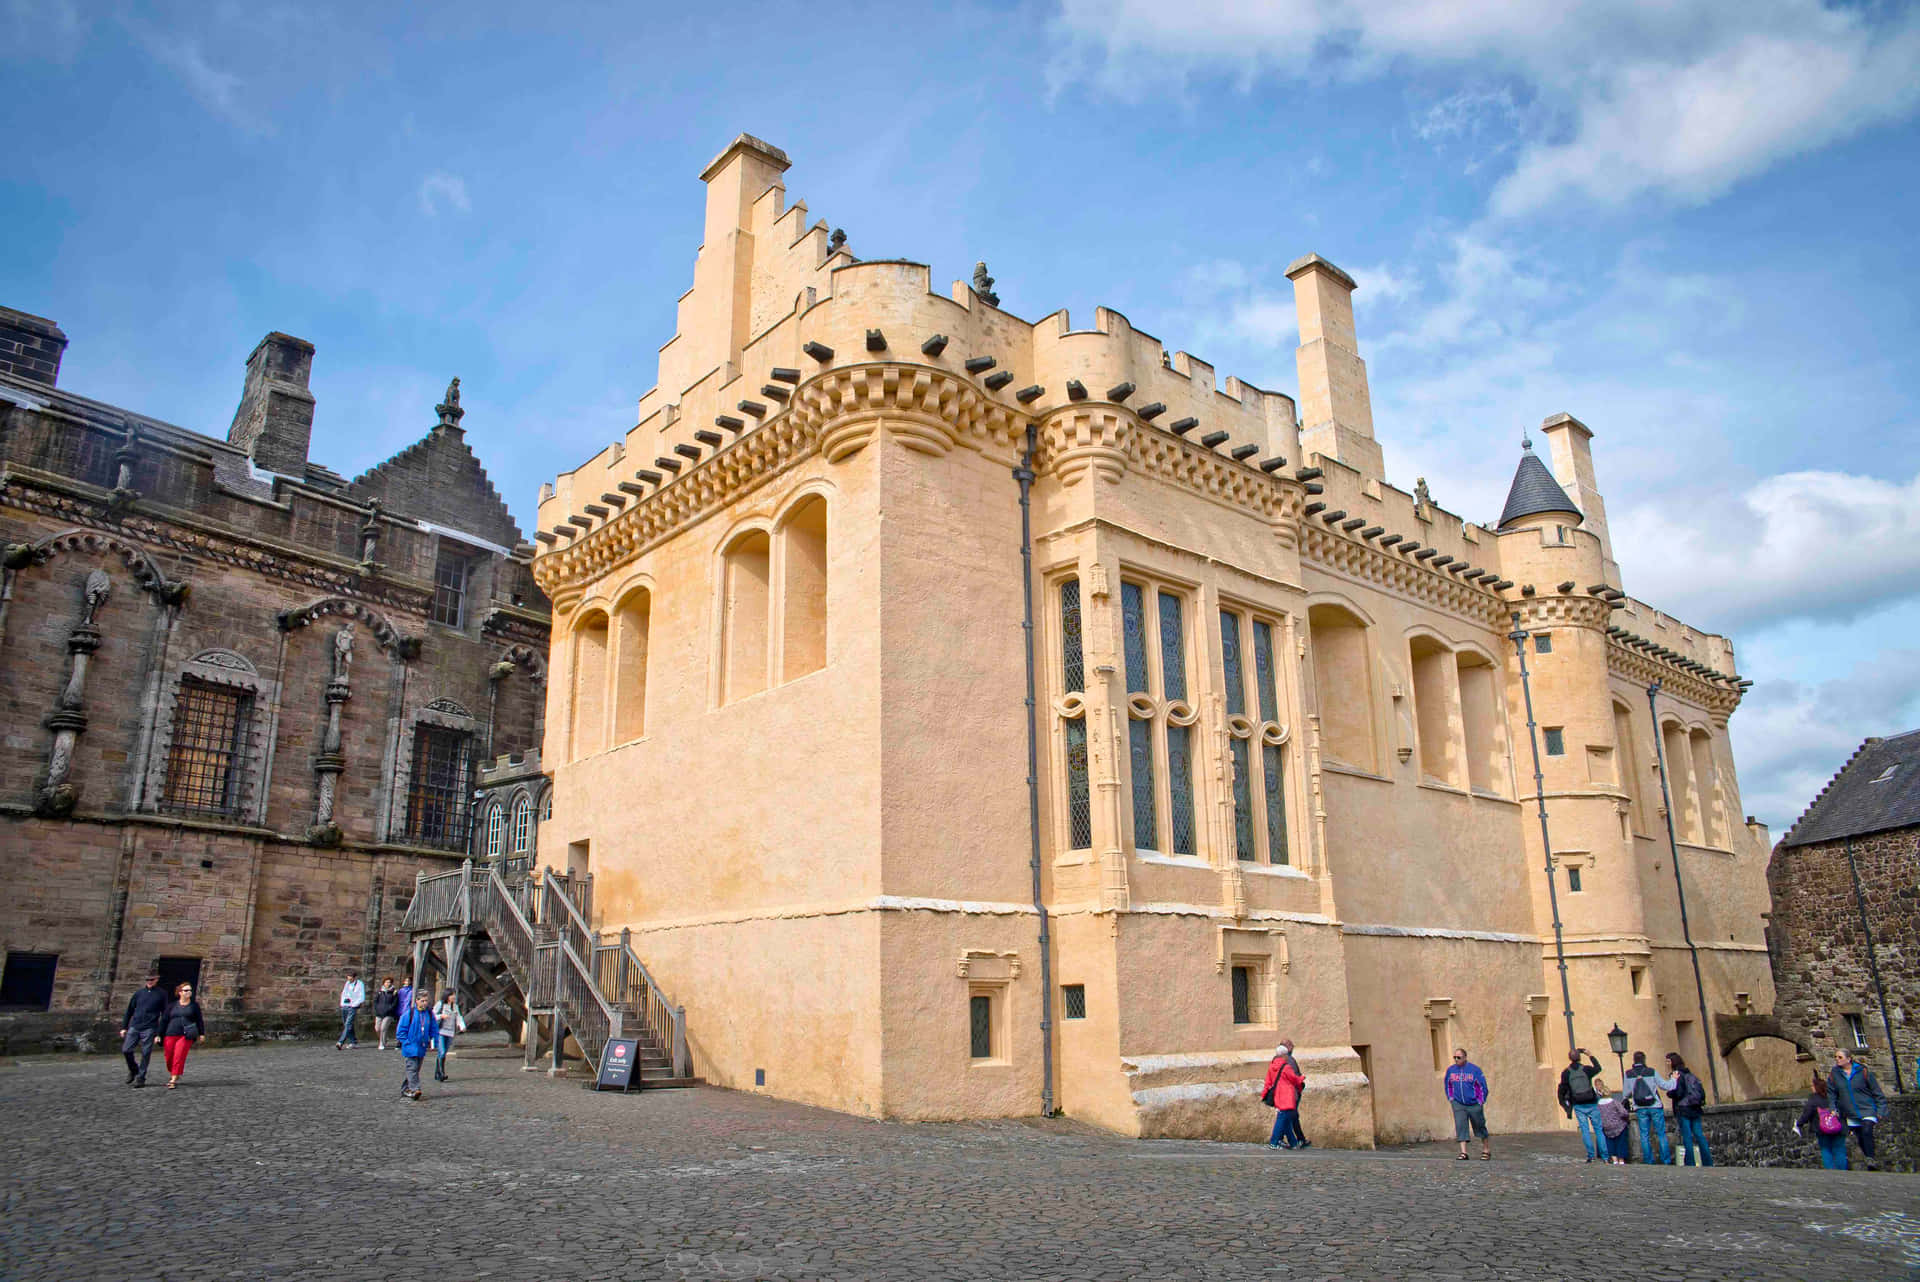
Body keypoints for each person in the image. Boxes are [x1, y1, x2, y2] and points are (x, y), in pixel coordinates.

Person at [1828, 1048, 1887, 1172]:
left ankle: (1871, 1158)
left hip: (1867, 1108)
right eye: (1836, 1057)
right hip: (1850, 1112)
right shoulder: (1834, 1074)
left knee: (1867, 1130)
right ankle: (1869, 1159)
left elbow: (1877, 1092)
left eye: (1840, 1057)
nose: (1837, 1060)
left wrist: (1881, 1110)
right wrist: (1833, 1108)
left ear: (1848, 1059)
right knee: (1860, 1137)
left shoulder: (1863, 1072)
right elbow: (1832, 1094)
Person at [1623, 1051, 1674, 1165]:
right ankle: (1666, 1160)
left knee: (1644, 1135)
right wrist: (1673, 1079)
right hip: (1654, 1106)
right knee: (1661, 1133)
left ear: (1634, 1060)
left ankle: (1648, 1160)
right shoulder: (1651, 1071)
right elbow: (1664, 1086)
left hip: (1640, 1107)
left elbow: (1626, 1094)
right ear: (1644, 1060)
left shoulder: (1628, 1074)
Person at [119, 970, 169, 1087]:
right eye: (147, 980)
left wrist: (159, 1033)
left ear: (156, 979)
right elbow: (129, 1010)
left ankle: (141, 1077)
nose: (149, 982)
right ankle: (134, 1069)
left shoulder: (162, 994)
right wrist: (124, 1027)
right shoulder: (139, 993)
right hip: (135, 1026)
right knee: (126, 1050)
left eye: (151, 980)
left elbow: (164, 1014)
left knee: (146, 1053)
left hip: (150, 1027)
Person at [1557, 1047, 1606, 1162]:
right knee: (1598, 1130)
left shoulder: (1566, 1073)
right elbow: (1598, 1068)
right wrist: (1590, 1055)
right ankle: (1605, 1156)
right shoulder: (1586, 1069)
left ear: (1569, 1058)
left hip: (1578, 1104)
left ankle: (1591, 1156)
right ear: (1579, 1057)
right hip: (1591, 1102)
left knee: (1585, 1130)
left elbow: (1563, 1088)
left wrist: (1566, 1105)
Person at [1793, 1072, 1849, 1170]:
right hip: (1838, 1126)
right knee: (1839, 1149)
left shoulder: (1814, 1099)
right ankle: (1842, 1171)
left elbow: (1807, 1113)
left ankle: (1830, 1171)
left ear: (1816, 1087)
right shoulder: (1834, 1097)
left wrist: (1799, 1124)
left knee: (1826, 1149)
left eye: (1812, 1086)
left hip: (1822, 1129)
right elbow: (1845, 1110)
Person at [1443, 1048, 1492, 1161]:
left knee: (1479, 1125)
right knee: (1460, 1125)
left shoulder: (1474, 1070)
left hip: (1474, 1104)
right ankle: (1463, 1152)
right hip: (1458, 1103)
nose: (1456, 1060)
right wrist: (1451, 1098)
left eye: (1458, 1057)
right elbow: (1448, 1085)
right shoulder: (1451, 1070)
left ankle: (1486, 1149)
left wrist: (1480, 1100)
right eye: (1454, 1057)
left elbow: (1483, 1087)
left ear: (1465, 1057)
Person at [1666, 1053, 1711, 1166]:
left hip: (1683, 1108)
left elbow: (1679, 1092)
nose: (1667, 1064)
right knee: (1699, 1135)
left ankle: (1690, 1161)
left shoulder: (1676, 1074)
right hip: (1695, 1107)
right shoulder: (1689, 1073)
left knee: (1687, 1136)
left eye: (1668, 1061)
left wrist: (1669, 1093)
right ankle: (1708, 1161)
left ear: (1672, 1062)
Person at [158, 981, 206, 1089]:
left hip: (186, 1035)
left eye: (190, 990)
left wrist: (201, 1033)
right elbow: (164, 1020)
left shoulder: (194, 1006)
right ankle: (174, 1072)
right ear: (180, 992)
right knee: (169, 1056)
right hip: (170, 1033)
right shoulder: (172, 1006)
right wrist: (158, 1034)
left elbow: (199, 1020)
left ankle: (173, 1079)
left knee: (179, 1056)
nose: (189, 992)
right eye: (186, 990)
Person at [396, 988, 438, 1101]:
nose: (425, 1003)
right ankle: (415, 1089)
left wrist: (434, 1041)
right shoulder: (408, 1014)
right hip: (410, 1047)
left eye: (426, 1001)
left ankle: (405, 1089)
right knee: (412, 1068)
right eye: (422, 1001)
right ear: (417, 1001)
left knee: (415, 1069)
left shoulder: (429, 1014)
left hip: (421, 1046)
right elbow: (400, 1032)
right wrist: (406, 1042)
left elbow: (434, 1028)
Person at [1262, 1044, 1306, 1149]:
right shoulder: (1286, 1067)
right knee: (1282, 1119)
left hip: (1278, 1095)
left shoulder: (1272, 1066)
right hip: (1287, 1096)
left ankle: (1293, 1143)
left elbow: (1268, 1081)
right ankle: (1274, 1142)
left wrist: (1264, 1093)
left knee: (1285, 1119)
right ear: (1284, 1055)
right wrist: (1302, 1078)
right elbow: (1294, 1079)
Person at [432, 987, 465, 1083]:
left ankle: (437, 1073)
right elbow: (432, 1015)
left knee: (443, 1053)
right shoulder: (440, 1004)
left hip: (450, 1032)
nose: (454, 996)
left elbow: (459, 1017)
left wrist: (461, 1026)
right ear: (447, 995)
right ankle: (442, 1073)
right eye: (452, 995)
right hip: (441, 1031)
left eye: (454, 994)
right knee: (441, 1052)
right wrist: (441, 1016)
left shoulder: (455, 1006)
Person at [1596, 1084, 1632, 1165]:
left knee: (1609, 1143)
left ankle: (1614, 1159)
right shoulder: (1614, 1102)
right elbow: (1624, 1113)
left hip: (1606, 1126)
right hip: (1618, 1125)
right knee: (1621, 1142)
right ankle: (1621, 1159)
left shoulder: (1598, 1105)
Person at [336, 970, 365, 1049]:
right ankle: (353, 1041)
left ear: (355, 977)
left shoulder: (359, 984)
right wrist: (342, 1004)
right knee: (347, 1024)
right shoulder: (347, 983)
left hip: (352, 1006)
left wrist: (354, 1004)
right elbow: (344, 993)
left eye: (351, 977)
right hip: (345, 1005)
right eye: (348, 977)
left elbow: (362, 997)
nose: (349, 978)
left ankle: (340, 1042)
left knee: (348, 1024)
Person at [372, 977, 400, 1051]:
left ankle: (382, 1043)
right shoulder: (380, 992)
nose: (388, 983)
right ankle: (385, 1038)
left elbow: (395, 1003)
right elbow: (375, 1001)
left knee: (383, 1028)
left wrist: (389, 1008)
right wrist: (377, 1008)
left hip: (389, 1013)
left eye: (389, 982)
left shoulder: (394, 992)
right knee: (377, 1028)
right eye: (386, 982)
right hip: (379, 1013)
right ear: (384, 983)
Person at [395, 976, 415, 1052]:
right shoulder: (400, 991)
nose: (407, 982)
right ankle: (400, 1041)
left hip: (407, 1011)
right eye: (405, 981)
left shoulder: (412, 990)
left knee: (406, 1027)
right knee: (400, 1027)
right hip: (400, 1011)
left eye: (408, 981)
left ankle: (401, 1042)